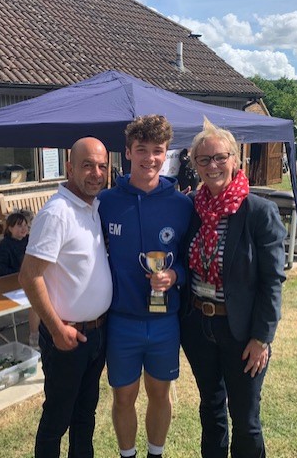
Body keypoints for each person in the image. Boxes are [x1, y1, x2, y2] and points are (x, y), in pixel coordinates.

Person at [179, 117, 286, 458]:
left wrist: (261, 338)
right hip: (199, 326)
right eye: (204, 159)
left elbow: (273, 280)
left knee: (245, 419)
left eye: (220, 157)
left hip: (241, 333)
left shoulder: (259, 212)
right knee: (210, 411)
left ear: (235, 160)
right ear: (195, 165)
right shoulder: (193, 209)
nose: (213, 166)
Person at [98, 115, 193, 458]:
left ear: (166, 152)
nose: (149, 158)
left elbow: (188, 258)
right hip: (122, 320)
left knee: (159, 393)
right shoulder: (107, 202)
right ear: (127, 152)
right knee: (123, 396)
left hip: (164, 320)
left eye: (157, 150)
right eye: (142, 150)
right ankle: (128, 456)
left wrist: (175, 276)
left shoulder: (182, 204)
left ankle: (156, 453)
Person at [18, 136, 112, 458]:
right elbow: (29, 276)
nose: (96, 173)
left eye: (102, 166)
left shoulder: (92, 207)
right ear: (69, 167)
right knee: (57, 419)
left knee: (85, 417)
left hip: (96, 334)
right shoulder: (57, 213)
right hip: (67, 338)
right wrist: (57, 330)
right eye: (87, 165)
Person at [0, 212, 40, 350]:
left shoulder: (30, 240)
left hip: (29, 280)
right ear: (10, 228)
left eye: (25, 225)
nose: (24, 229)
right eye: (19, 226)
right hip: (13, 285)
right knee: (36, 300)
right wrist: (20, 274)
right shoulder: (5, 245)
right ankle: (34, 337)